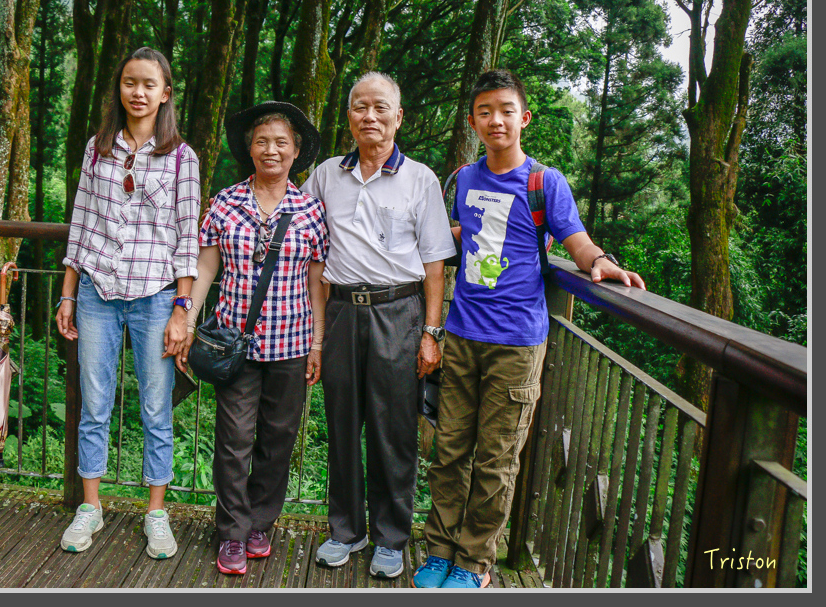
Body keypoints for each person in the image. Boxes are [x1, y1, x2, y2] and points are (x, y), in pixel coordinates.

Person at [412, 68, 646, 589]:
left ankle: (475, 562)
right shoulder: (466, 178)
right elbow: (466, 233)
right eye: (484, 111)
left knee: (496, 458)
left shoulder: (545, 182)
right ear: (474, 121)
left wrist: (600, 262)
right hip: (463, 334)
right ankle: (439, 551)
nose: (496, 120)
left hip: (517, 341)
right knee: (448, 449)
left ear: (524, 117)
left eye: (505, 110)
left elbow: (575, 239)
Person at [302, 72, 456, 579]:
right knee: (343, 424)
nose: (370, 116)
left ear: (398, 116)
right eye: (360, 107)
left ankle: (392, 536)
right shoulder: (325, 175)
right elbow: (300, 236)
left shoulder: (421, 179)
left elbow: (435, 264)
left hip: (400, 312)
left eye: (380, 108)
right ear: (348, 116)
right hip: (344, 310)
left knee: (393, 431)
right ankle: (346, 530)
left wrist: (431, 333)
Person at [56, 47, 201, 559]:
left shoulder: (183, 158)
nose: (137, 93)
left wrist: (183, 309)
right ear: (119, 89)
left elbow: (188, 237)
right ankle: (90, 507)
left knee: (155, 409)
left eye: (148, 85)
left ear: (165, 93)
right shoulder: (97, 148)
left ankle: (156, 513)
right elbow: (81, 223)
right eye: (128, 83)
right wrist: (68, 292)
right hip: (97, 290)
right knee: (94, 406)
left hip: (156, 297)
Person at [178, 102, 328, 576]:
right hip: (233, 344)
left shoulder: (309, 209)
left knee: (278, 440)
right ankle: (232, 532)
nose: (271, 150)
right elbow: (206, 267)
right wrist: (185, 315)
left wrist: (318, 344)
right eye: (263, 141)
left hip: (292, 343)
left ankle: (262, 523)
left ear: (296, 152)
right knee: (234, 439)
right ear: (250, 148)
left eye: (282, 142)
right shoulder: (225, 202)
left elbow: (316, 282)